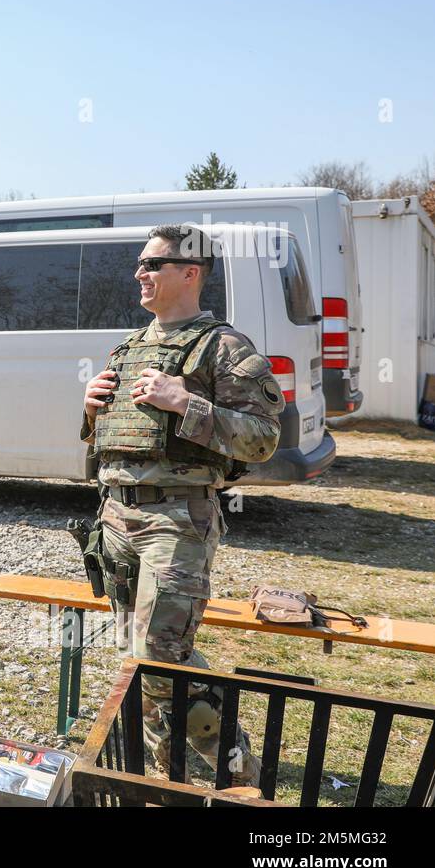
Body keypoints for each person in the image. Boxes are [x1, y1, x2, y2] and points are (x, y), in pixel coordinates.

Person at [82, 223, 285, 787]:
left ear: (190, 273)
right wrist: (92, 413)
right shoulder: (129, 348)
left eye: (152, 264)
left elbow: (264, 438)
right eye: (140, 265)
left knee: (158, 659)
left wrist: (187, 404)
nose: (139, 274)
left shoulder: (223, 346)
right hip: (116, 519)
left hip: (176, 522)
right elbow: (110, 445)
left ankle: (231, 773)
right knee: (143, 655)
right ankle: (170, 775)